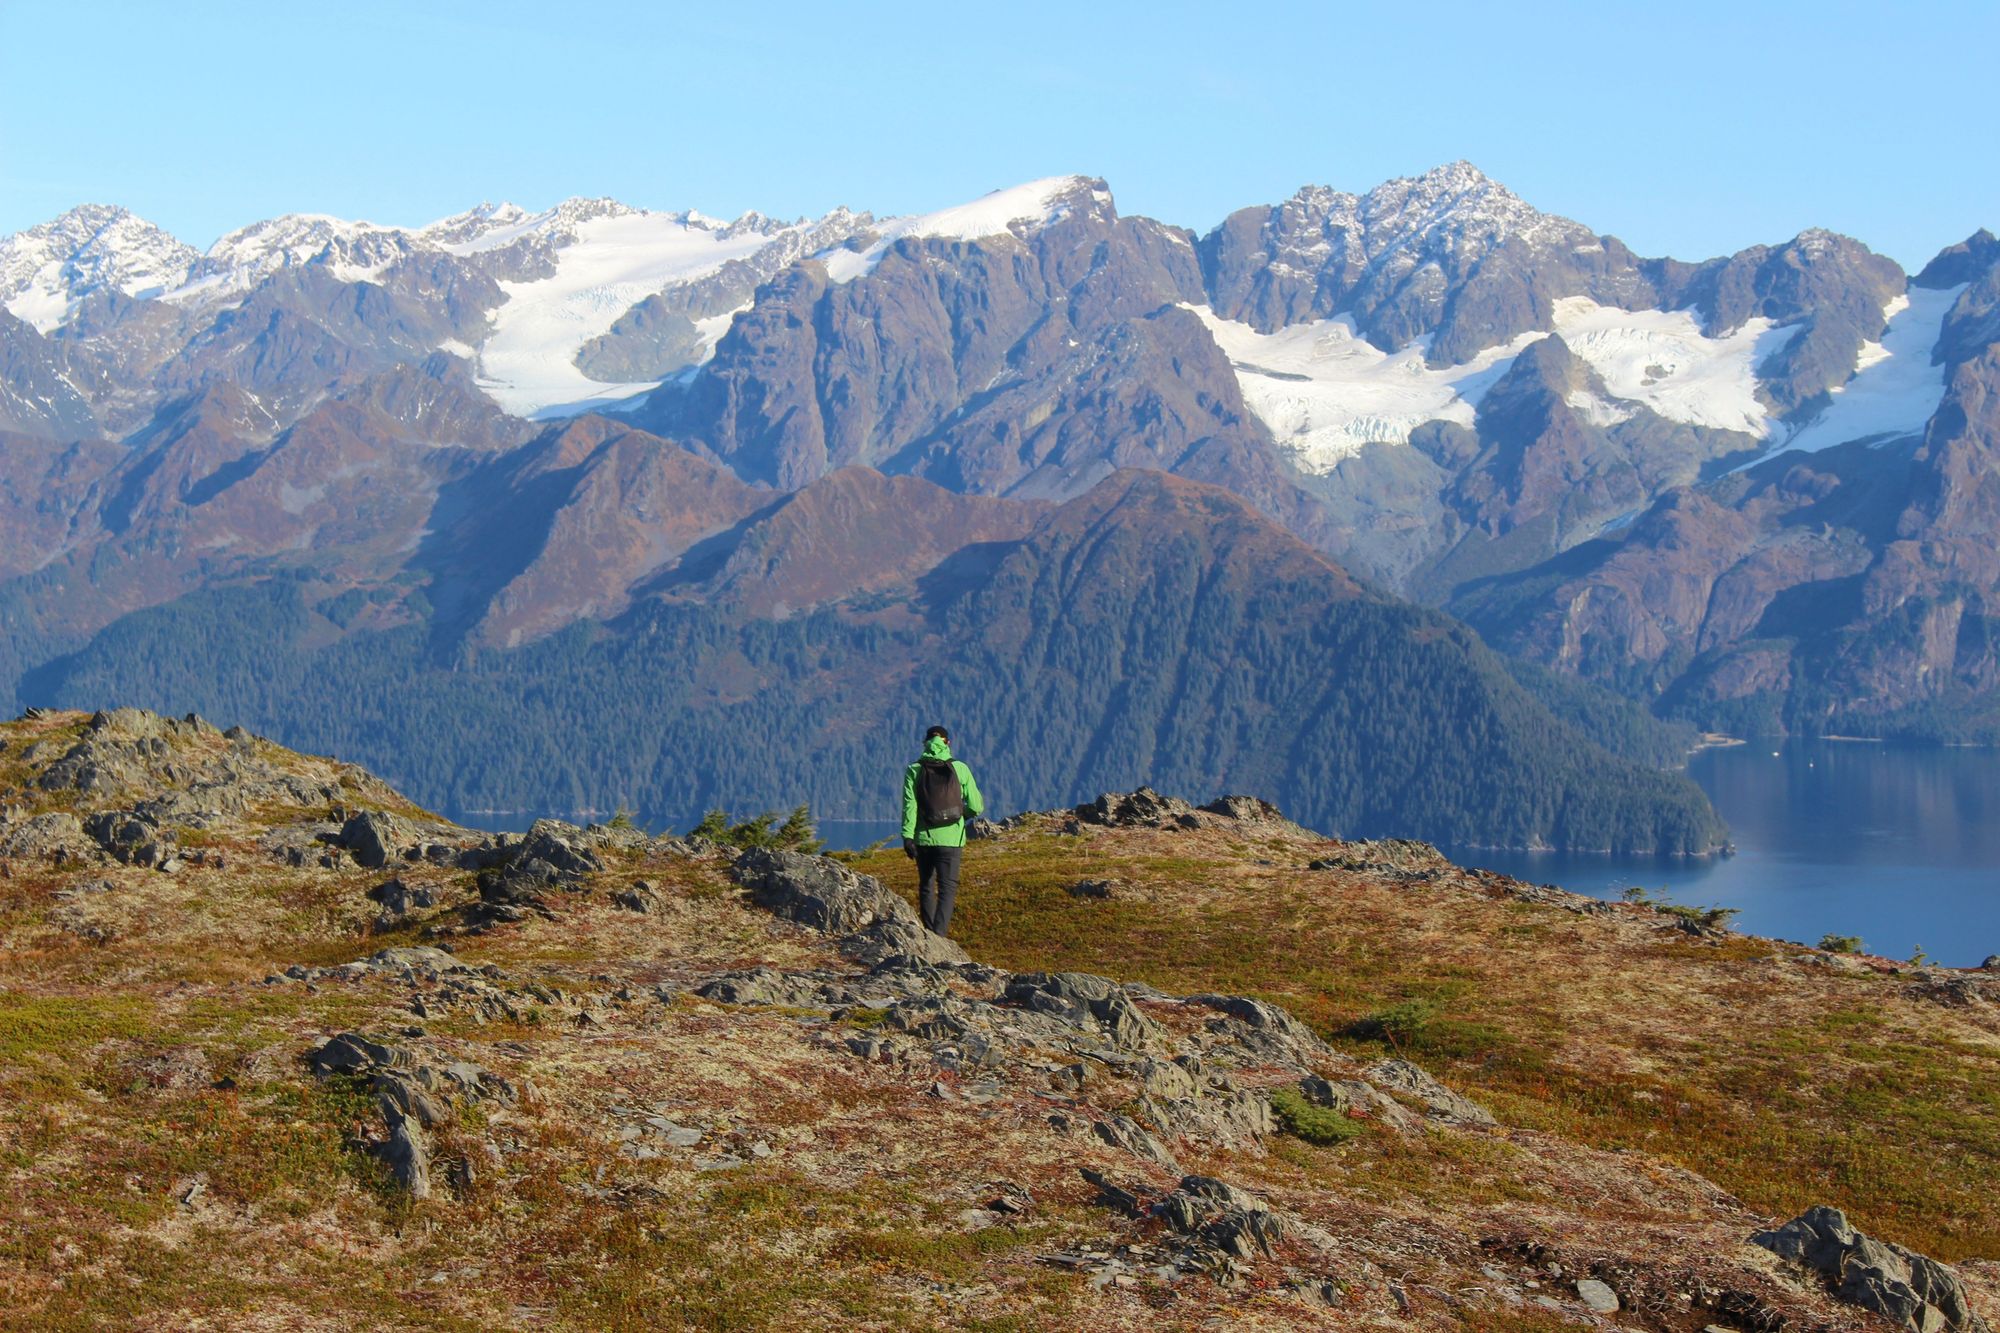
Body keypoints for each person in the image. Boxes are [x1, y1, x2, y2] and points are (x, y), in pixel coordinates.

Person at [901, 724, 984, 937]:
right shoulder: (960, 768)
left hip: (924, 839)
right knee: (947, 888)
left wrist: (908, 836)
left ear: (925, 743)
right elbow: (976, 806)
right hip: (951, 840)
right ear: (948, 742)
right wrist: (959, 815)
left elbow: (910, 807)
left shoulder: (914, 769)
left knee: (926, 885)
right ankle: (939, 935)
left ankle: (928, 933)